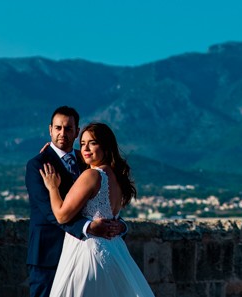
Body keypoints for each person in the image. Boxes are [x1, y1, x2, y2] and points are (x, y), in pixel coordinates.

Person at [39, 122, 154, 297]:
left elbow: (62, 216)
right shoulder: (116, 177)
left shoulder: (92, 175)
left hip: (88, 253)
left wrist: (53, 187)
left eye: (92, 143)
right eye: (83, 143)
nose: (86, 148)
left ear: (106, 146)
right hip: (115, 251)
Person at [25, 107, 125, 297]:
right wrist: (88, 227)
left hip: (83, 254)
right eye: (58, 128)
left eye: (68, 129)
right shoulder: (38, 164)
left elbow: (102, 200)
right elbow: (50, 212)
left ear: (76, 132)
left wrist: (118, 225)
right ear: (50, 130)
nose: (62, 133)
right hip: (49, 253)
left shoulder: (87, 160)